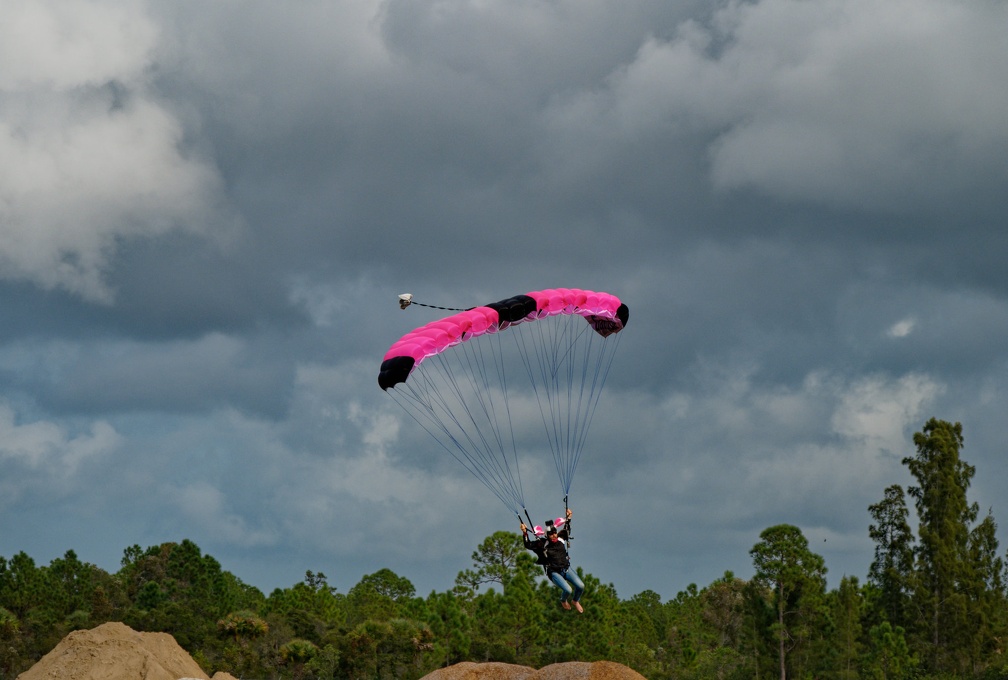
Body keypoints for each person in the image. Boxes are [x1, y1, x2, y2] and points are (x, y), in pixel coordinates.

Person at [521, 508, 585, 613]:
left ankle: (575, 601)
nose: (554, 535)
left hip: (566, 569)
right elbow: (528, 545)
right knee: (568, 590)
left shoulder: (561, 538)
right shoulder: (542, 544)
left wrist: (569, 517)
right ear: (547, 535)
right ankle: (563, 600)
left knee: (581, 586)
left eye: (555, 533)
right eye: (551, 534)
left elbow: (567, 528)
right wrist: (524, 533)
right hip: (554, 572)